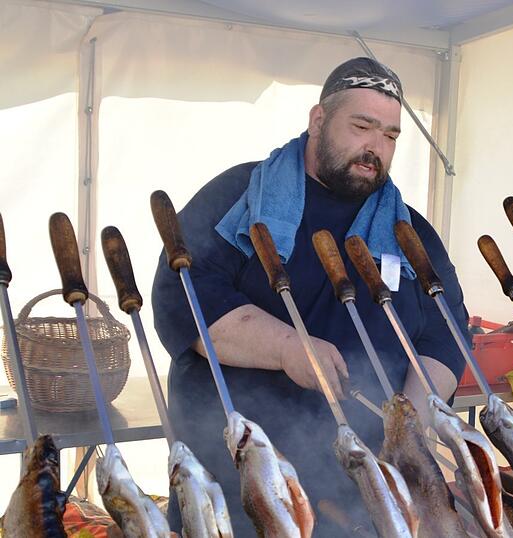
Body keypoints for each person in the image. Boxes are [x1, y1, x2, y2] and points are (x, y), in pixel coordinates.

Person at [151, 57, 469, 536]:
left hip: (363, 493)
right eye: (361, 126)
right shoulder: (241, 197)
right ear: (318, 119)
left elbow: (447, 333)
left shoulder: (408, 231)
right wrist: (286, 347)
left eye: (390, 135)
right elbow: (183, 297)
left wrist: (409, 427)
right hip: (241, 484)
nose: (376, 147)